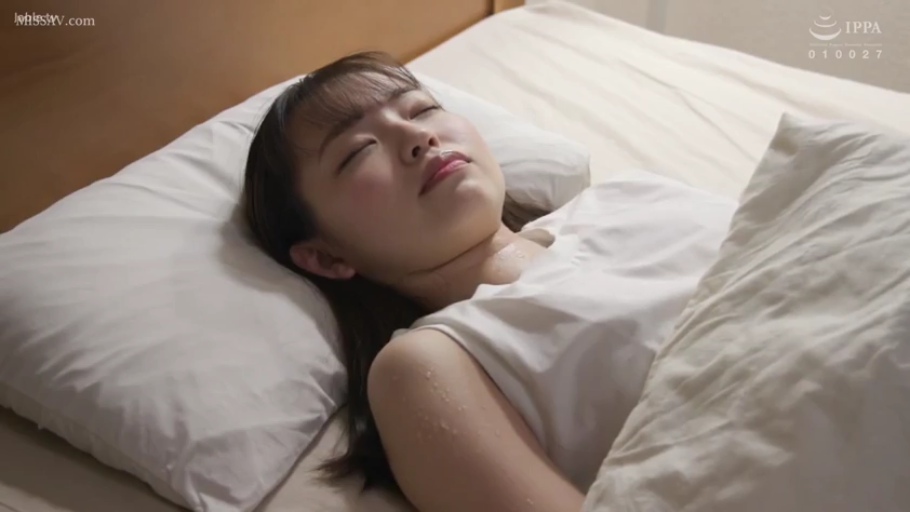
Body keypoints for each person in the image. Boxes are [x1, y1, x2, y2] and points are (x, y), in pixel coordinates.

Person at [242, 51, 735, 512]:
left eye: (422, 110)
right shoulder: (427, 365)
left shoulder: (629, 195)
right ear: (326, 257)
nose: (418, 138)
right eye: (358, 151)